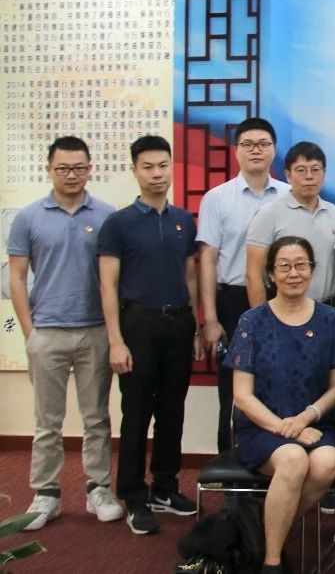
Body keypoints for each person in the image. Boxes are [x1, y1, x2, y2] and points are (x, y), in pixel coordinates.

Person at [7, 136, 123, 529]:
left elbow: (114, 279)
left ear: (90, 169)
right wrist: (30, 332)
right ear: (49, 169)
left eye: (78, 168)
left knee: (97, 418)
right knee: (47, 421)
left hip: (94, 330)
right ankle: (46, 494)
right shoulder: (28, 217)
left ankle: (98, 488)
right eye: (62, 168)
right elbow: (17, 277)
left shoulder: (107, 216)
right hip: (47, 331)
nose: (71, 175)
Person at [98, 135, 200, 535]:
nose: (157, 174)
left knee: (173, 410)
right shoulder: (118, 222)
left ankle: (165, 487)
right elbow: (108, 286)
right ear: (135, 171)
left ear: (171, 167)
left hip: (178, 324)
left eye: (163, 165)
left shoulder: (184, 220)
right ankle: (134, 496)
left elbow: (190, 275)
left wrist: (194, 324)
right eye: (148, 167)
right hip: (137, 325)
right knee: (137, 412)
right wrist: (115, 340)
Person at [226, 236, 335, 574]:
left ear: (312, 270)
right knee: (293, 459)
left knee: (326, 463)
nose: (294, 273)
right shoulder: (252, 321)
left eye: (301, 265)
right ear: (271, 275)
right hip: (263, 427)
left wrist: (306, 417)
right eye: (284, 266)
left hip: (316, 423)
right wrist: (285, 428)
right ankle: (272, 561)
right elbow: (242, 396)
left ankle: (257, 531)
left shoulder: (330, 319)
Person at [197, 117, 288, 453]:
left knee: (282, 383)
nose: (256, 151)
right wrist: (210, 318)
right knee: (233, 390)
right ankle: (230, 468)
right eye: (248, 144)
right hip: (233, 302)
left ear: (274, 150)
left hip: (284, 299)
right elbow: (208, 260)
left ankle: (280, 462)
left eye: (263, 144)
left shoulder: (290, 196)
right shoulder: (217, 198)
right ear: (236, 151)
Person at [245, 141, 335, 310]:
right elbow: (254, 275)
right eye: (301, 170)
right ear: (288, 175)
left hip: (329, 309)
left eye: (315, 170)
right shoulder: (268, 214)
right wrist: (262, 319)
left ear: (324, 174)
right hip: (285, 311)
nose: (309, 176)